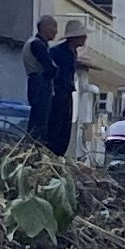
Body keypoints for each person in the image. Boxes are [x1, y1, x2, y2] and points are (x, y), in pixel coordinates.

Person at [42, 19, 86, 158]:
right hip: (57, 91)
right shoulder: (57, 52)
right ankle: (50, 151)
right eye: (82, 35)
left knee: (65, 125)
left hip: (67, 91)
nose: (85, 38)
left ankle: (59, 153)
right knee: (56, 122)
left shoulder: (73, 53)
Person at [24, 19, 56, 145]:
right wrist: (54, 70)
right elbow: (50, 68)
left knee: (38, 115)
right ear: (44, 27)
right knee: (40, 116)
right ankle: (35, 143)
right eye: (53, 27)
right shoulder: (37, 44)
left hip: (35, 81)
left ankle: (34, 142)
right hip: (40, 81)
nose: (56, 31)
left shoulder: (34, 43)